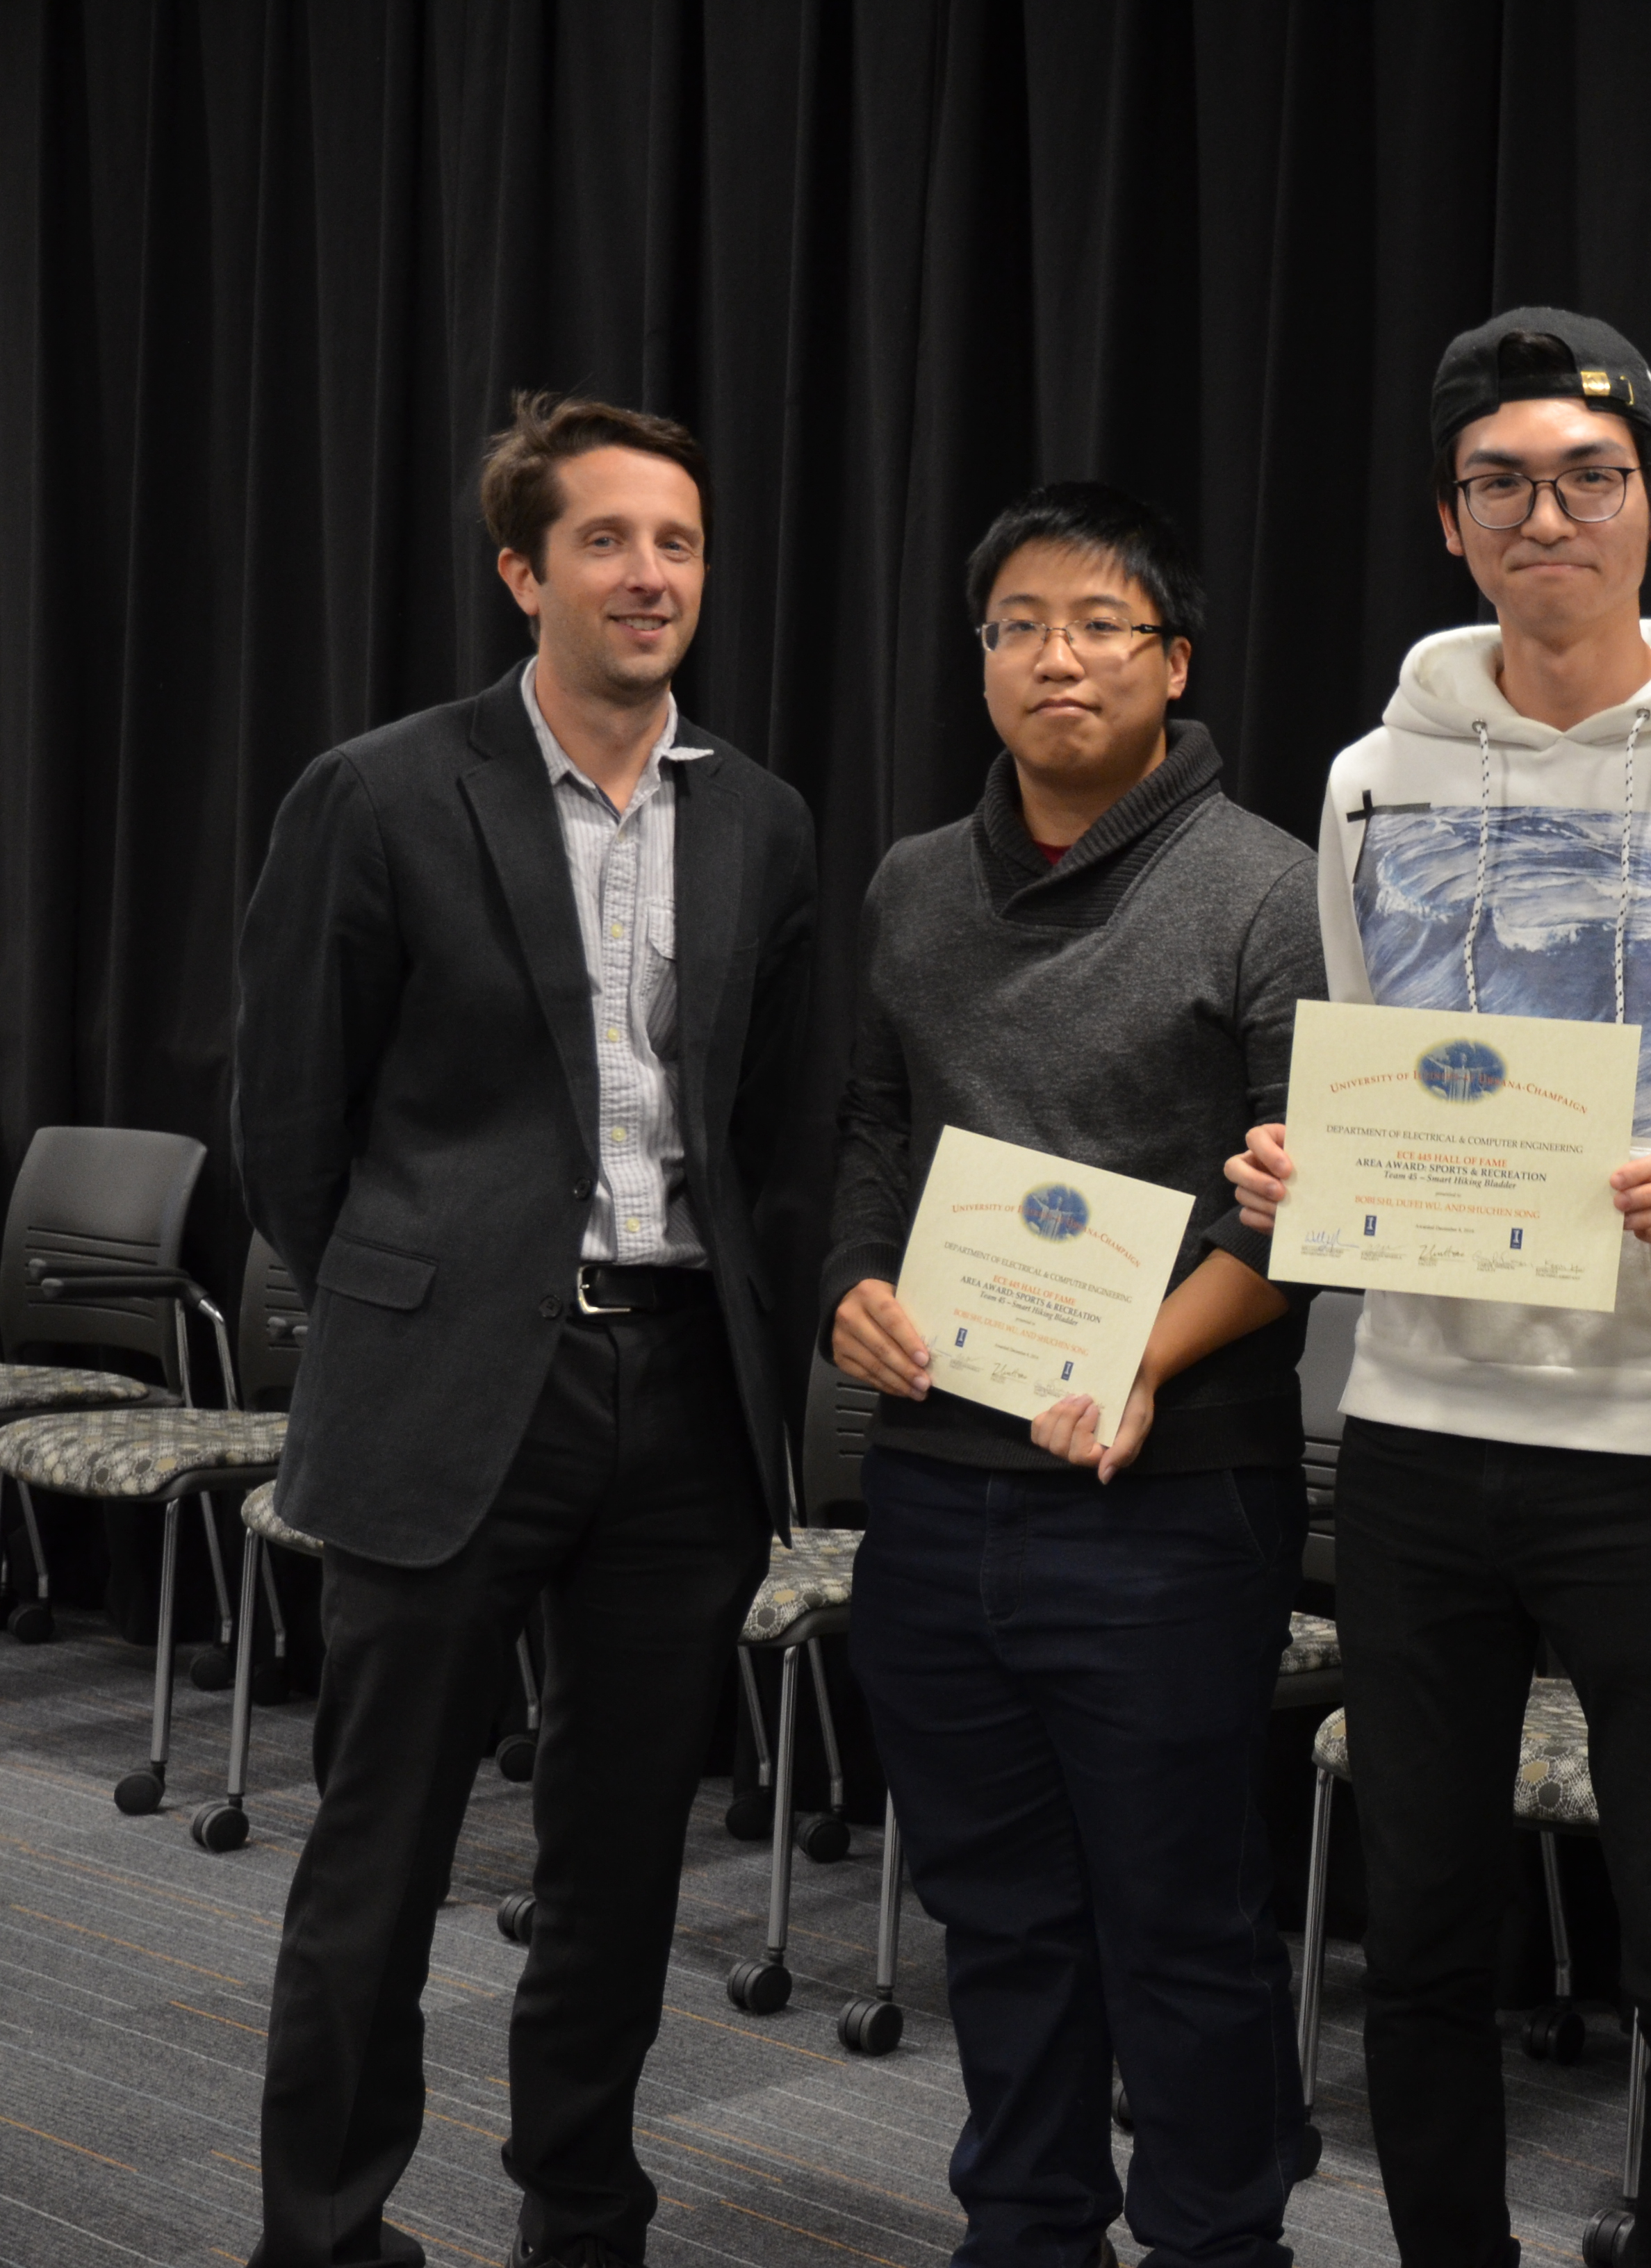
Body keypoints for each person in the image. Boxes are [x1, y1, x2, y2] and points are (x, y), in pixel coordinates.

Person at [1226, 306, 1651, 2268]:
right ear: (1452, 521)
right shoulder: (1368, 779)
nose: (1549, 517)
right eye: (1501, 484)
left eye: (1590, 479)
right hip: (1415, 1428)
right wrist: (1298, 1162)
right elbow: (1366, 1053)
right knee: (1422, 1936)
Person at [233, 393, 819, 2268]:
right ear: (521, 567)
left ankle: (583, 2218)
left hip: (680, 1402)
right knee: (381, 1854)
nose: (651, 574)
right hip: (452, 1382)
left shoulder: (762, 818)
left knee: (623, 1859)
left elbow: (781, 1136)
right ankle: (324, 2236)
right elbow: (291, 1120)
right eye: (607, 540)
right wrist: (416, 1299)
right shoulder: (384, 788)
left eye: (681, 543)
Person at [821, 483, 1322, 2268]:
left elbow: (1302, 1214)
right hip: (936, 1486)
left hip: (1163, 1502)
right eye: (1018, 625)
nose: (1056, 657)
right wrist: (852, 1289)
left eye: (1100, 624)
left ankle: (1216, 2242)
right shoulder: (911, 886)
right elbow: (878, 1129)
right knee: (1000, 1916)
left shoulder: (1268, 887)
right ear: (980, 662)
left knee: (1179, 1924)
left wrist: (1139, 1365)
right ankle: (1025, 2227)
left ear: (1171, 664)